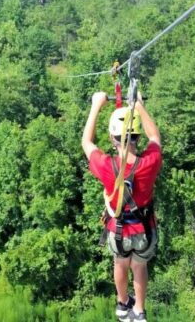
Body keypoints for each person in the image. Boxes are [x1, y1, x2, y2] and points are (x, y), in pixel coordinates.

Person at [82, 91, 162, 322]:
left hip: (118, 230)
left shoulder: (106, 166)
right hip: (144, 230)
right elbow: (155, 137)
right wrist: (138, 107)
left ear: (112, 138)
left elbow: (86, 142)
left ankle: (122, 303)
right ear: (137, 138)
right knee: (139, 265)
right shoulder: (150, 162)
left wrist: (96, 105)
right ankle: (139, 310)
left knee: (120, 262)